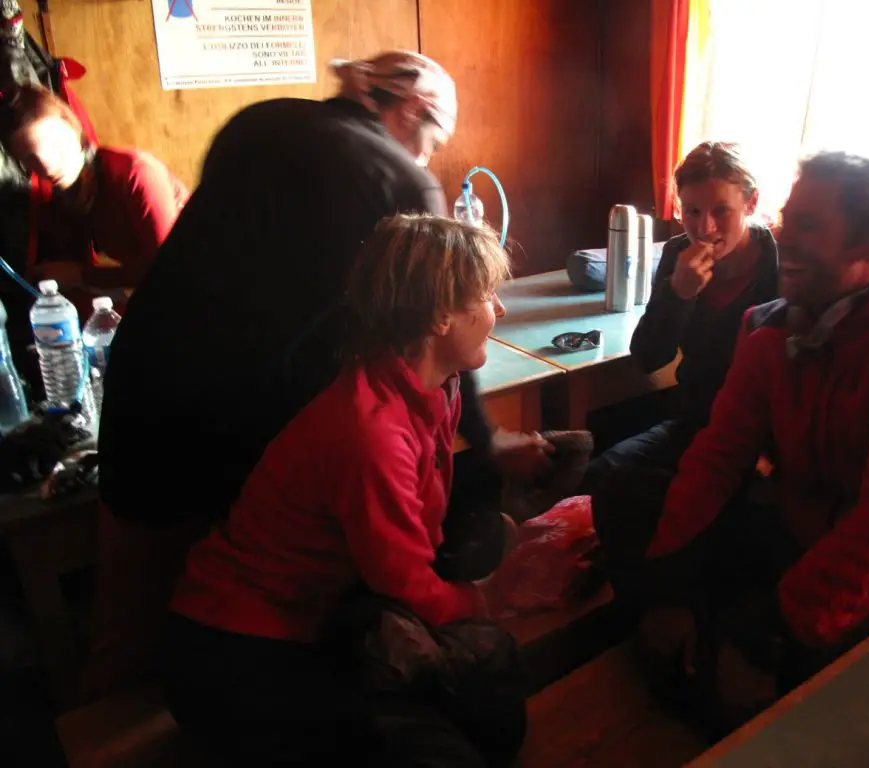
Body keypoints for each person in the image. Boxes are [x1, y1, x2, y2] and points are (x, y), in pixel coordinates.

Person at [83, 51, 548, 698]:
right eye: (432, 139)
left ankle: (111, 718)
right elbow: (435, 326)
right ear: (412, 109)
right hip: (245, 415)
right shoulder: (399, 180)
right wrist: (489, 439)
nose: (425, 156)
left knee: (131, 623)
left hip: (143, 382)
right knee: (270, 606)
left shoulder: (262, 120)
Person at [593, 152, 869, 734]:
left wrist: (769, 631)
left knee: (759, 696)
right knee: (630, 502)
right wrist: (666, 587)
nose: (783, 236)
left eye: (808, 225)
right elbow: (716, 457)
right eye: (787, 218)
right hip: (793, 521)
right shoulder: (769, 328)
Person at [159, 214, 524, 767]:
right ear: (440, 316)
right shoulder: (370, 429)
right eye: (487, 295)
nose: (499, 310)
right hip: (235, 649)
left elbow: (415, 540)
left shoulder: (432, 389)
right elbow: (401, 581)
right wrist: (492, 597)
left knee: (494, 711)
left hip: (325, 608)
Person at [580, 142, 777, 492]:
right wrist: (678, 293)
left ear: (752, 203)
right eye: (693, 211)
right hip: (693, 423)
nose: (705, 227)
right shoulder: (676, 256)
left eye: (721, 211)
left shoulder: (780, 269)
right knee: (604, 474)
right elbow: (649, 357)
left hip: (761, 438)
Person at [0, 84, 187, 293]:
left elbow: (170, 270)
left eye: (53, 145)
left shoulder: (135, 173)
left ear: (72, 125)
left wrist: (82, 275)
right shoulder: (71, 194)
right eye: (30, 158)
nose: (47, 166)